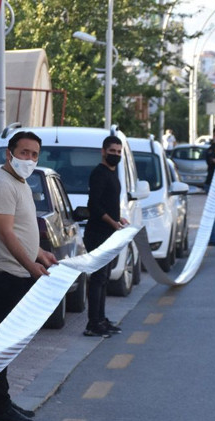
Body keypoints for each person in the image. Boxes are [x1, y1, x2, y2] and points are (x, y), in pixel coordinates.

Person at [0, 130, 58, 421]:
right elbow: (6, 233)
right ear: (10, 153)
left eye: (35, 154)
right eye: (24, 152)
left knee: (7, 345)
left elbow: (22, 230)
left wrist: (40, 254)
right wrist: (31, 265)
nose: (30, 159)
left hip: (16, 271)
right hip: (1, 275)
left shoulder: (20, 182)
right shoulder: (1, 185)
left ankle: (4, 401)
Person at [83, 135, 128, 338]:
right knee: (98, 278)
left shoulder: (113, 173)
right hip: (98, 234)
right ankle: (93, 323)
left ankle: (101, 319)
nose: (116, 155)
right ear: (103, 151)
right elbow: (95, 205)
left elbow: (110, 204)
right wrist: (112, 222)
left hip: (110, 234)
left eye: (119, 152)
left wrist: (121, 219)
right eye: (112, 151)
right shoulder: (99, 174)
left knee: (104, 278)